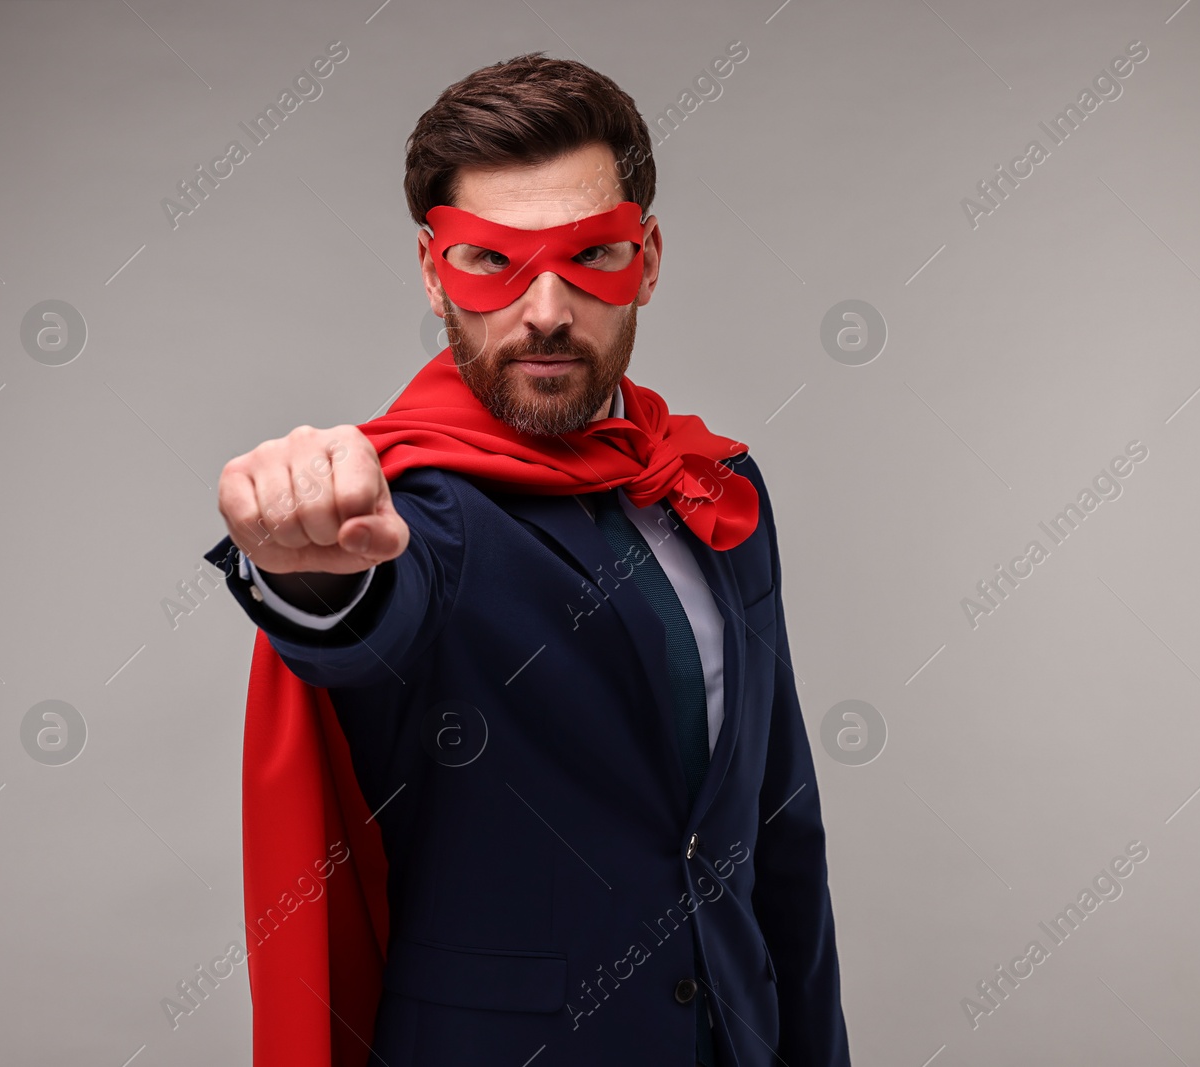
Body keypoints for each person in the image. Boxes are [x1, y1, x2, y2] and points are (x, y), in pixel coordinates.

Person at [204, 53, 851, 1067]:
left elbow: (782, 828)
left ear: (649, 255)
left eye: (590, 255)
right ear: (431, 269)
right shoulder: (417, 508)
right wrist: (310, 569)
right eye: (490, 260)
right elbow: (367, 611)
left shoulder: (716, 487)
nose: (544, 309)